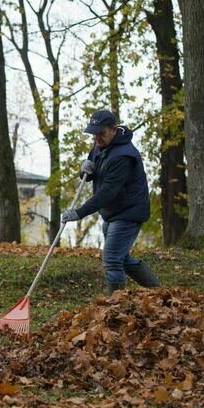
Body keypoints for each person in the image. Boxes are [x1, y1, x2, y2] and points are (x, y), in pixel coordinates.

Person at [61, 109, 160, 294]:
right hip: (112, 213)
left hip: (129, 212)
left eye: (101, 133)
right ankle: (160, 292)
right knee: (122, 259)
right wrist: (83, 170)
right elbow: (90, 172)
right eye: (94, 134)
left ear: (113, 129)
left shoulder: (123, 156)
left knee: (112, 259)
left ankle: (116, 307)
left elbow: (107, 192)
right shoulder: (101, 146)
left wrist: (79, 213)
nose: (96, 138)